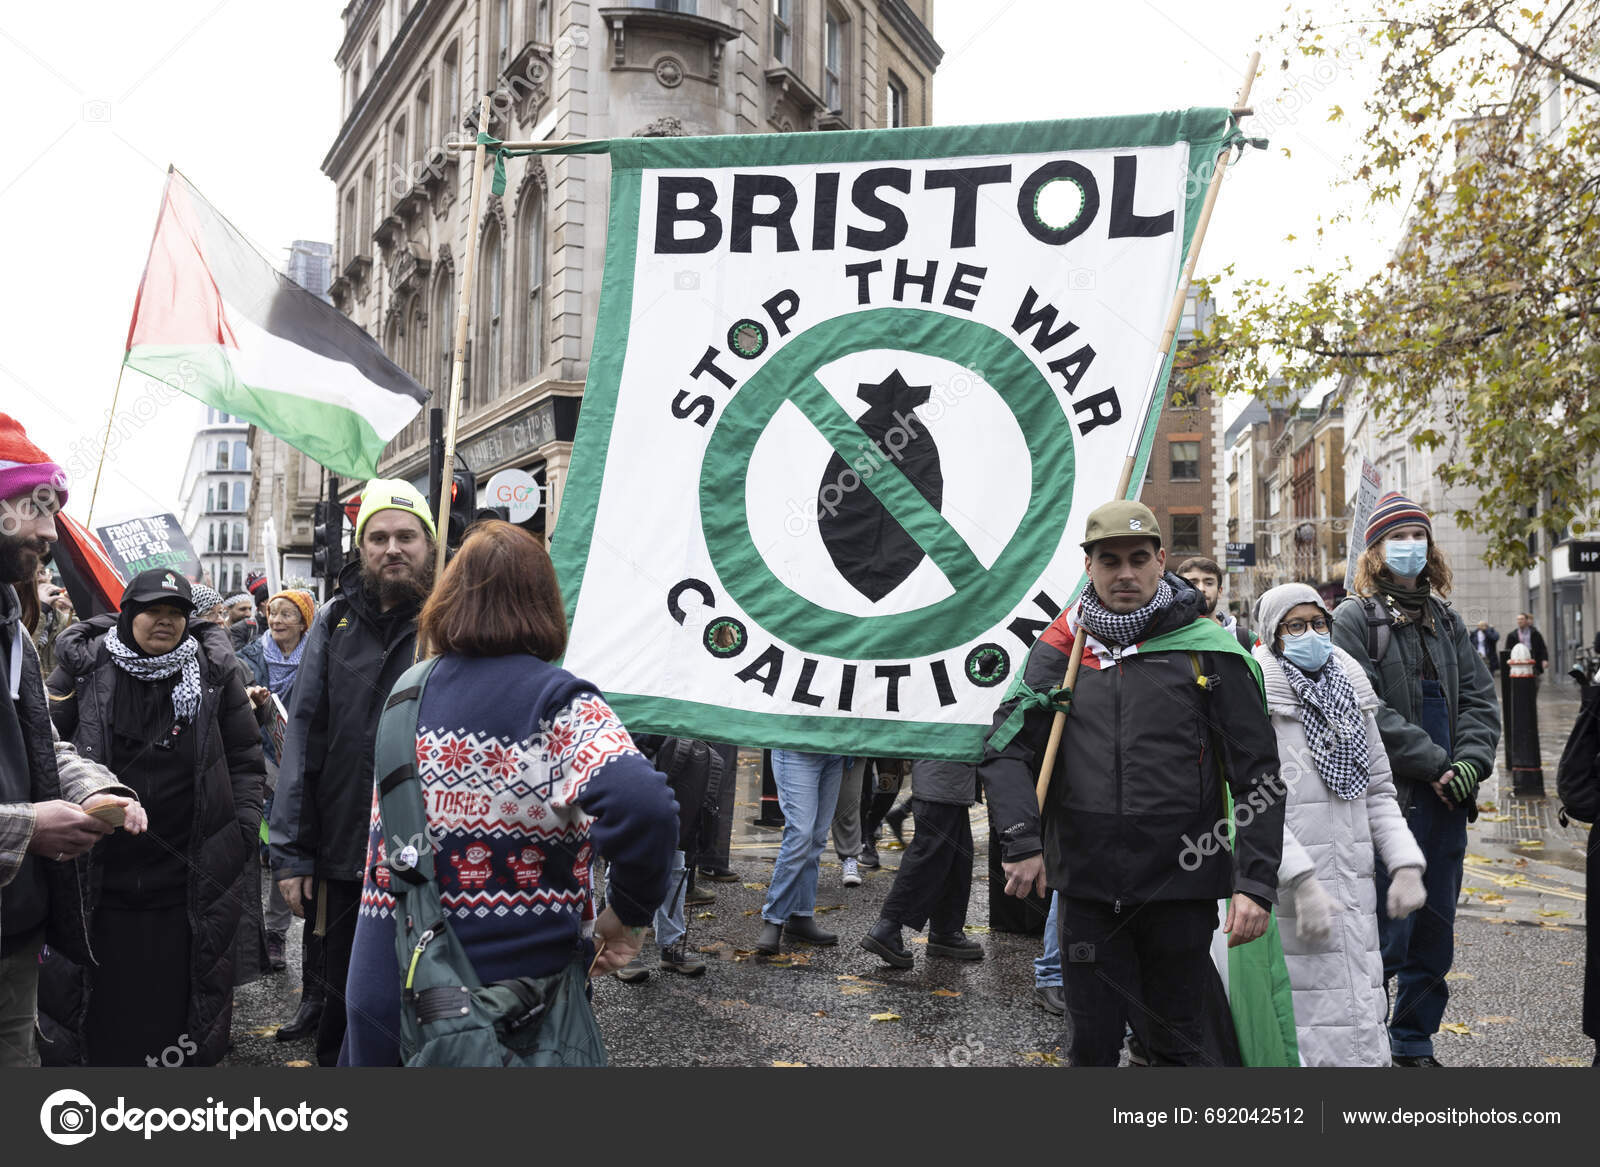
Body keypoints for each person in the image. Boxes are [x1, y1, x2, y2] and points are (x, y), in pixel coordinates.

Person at [342, 521, 677, 1065]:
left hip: (389, 979)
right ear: (545, 604)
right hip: (515, 1004)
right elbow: (644, 804)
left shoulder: (406, 693)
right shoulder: (558, 704)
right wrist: (631, 912)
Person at [980, 500, 1285, 1067]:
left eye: (1138, 559)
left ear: (1161, 560)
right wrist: (1020, 841)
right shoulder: (1063, 651)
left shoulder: (1208, 649)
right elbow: (1004, 751)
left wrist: (1256, 884)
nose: (1125, 573)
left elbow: (1259, 776)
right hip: (1089, 894)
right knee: (1091, 1050)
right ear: (1089, 567)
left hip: (1182, 893)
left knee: (1174, 1049)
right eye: (1109, 560)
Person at [45, 569, 264, 1066]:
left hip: (184, 882)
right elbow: (45, 751)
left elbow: (246, 756)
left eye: (177, 613)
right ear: (127, 614)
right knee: (99, 1012)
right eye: (153, 611)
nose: (165, 622)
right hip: (99, 879)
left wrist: (242, 831)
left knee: (176, 1011)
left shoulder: (213, 674)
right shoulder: (84, 669)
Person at [270, 480, 436, 1064]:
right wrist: (293, 854)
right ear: (361, 547)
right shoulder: (334, 621)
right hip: (344, 854)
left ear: (429, 543)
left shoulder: (449, 619)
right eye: (379, 537)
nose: (393, 548)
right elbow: (304, 741)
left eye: (407, 536)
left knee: (428, 1004)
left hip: (430, 852)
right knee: (344, 1007)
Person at [1331, 491, 1500, 1067]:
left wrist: (1471, 764)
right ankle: (1368, 1041)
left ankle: (1413, 1041)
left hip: (1449, 801)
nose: (1410, 546)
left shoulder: (1446, 619)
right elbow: (1363, 708)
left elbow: (1481, 700)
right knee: (1385, 929)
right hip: (1394, 800)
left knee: (1435, 928)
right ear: (1376, 550)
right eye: (1397, 537)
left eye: (1418, 535)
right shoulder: (1353, 620)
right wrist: (1435, 764)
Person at [0, 413, 146, 1067]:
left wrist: (97, 786)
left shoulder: (10, 629)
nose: (50, 531)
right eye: (35, 506)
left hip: (14, 932)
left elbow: (35, 747)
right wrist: (28, 827)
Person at [1253, 583, 1427, 1066]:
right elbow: (1250, 804)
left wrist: (1405, 863)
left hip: (1354, 886)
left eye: (1318, 623)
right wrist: (1301, 880)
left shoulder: (1352, 690)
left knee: (1359, 1001)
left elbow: (1379, 791)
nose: (1311, 633)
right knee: (1305, 1020)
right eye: (1296, 625)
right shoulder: (1259, 696)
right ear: (1273, 635)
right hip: (1292, 897)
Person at [238, 589, 316, 973]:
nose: (278, 619)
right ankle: (246, 931)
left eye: (288, 614)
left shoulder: (319, 658)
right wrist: (249, 702)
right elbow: (229, 708)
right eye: (273, 612)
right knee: (251, 844)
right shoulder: (248, 657)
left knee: (283, 848)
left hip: (297, 767)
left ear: (304, 622)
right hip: (255, 763)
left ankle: (275, 934)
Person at [859, 759, 984, 967]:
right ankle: (888, 926)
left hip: (949, 776)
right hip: (943, 773)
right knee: (929, 855)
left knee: (957, 855)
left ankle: (946, 930)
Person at [753, 750, 848, 954]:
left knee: (816, 838)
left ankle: (801, 916)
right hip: (797, 746)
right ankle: (774, 918)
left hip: (835, 750)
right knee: (800, 835)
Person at [1177, 554, 1255, 650]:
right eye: (1192, 583)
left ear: (1219, 592)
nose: (1201, 589)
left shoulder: (1247, 639)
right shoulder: (1167, 638)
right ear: (1179, 591)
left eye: (1209, 583)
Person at [1503, 613, 1548, 678]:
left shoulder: (1535, 634)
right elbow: (1507, 650)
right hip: (1518, 664)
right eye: (1518, 619)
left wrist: (1544, 659)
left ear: (1527, 620)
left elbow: (1542, 647)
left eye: (1522, 619)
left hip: (1533, 661)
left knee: (1534, 683)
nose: (1519, 621)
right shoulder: (1512, 635)